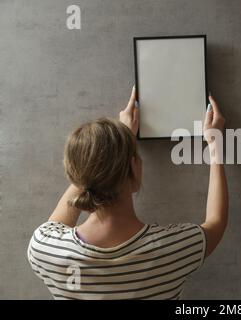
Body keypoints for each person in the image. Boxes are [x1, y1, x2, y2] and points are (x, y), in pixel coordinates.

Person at [26, 87, 228, 300]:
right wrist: (215, 146)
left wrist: (114, 147)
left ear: (74, 175)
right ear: (134, 168)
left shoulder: (45, 249)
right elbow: (216, 222)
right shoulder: (172, 249)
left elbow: (63, 213)